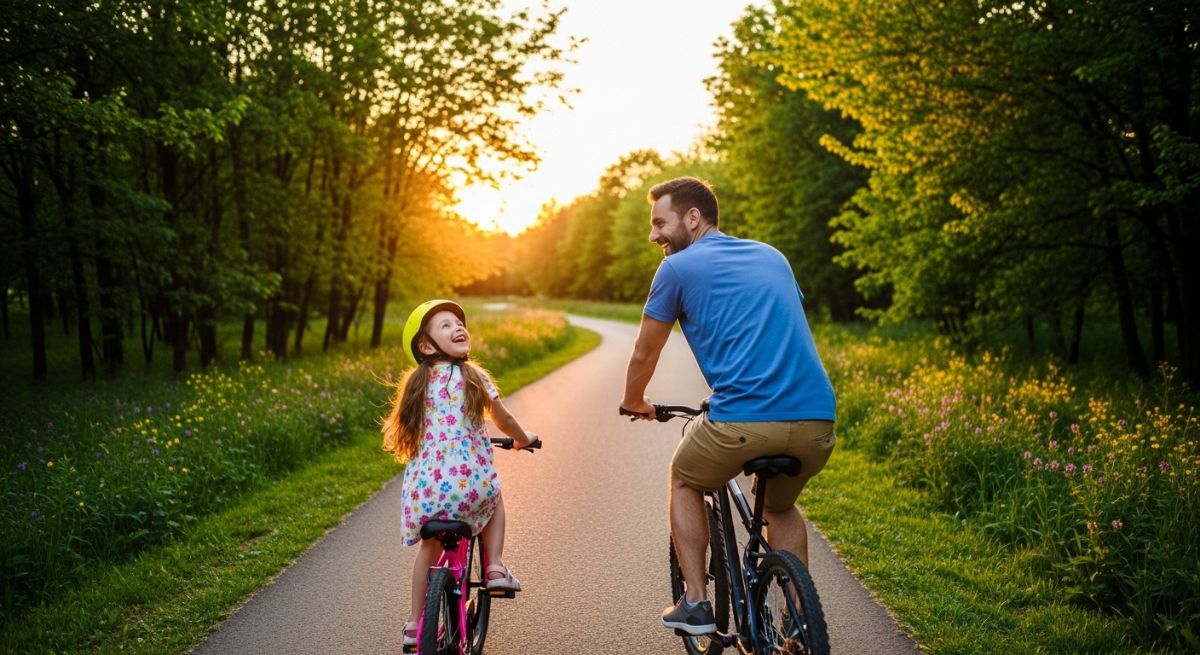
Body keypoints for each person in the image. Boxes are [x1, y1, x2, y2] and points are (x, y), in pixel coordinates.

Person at [620, 177, 836, 636]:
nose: (654, 235)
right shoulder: (772, 256)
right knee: (778, 509)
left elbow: (645, 352)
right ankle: (797, 625)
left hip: (742, 420)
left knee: (684, 478)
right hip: (818, 422)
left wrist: (634, 400)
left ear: (693, 218)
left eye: (660, 222)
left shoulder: (676, 270)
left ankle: (696, 603)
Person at [382, 299, 537, 647]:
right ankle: (495, 567)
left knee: (428, 549)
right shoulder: (472, 376)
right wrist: (522, 438)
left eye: (458, 322)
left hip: (425, 494)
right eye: (446, 325)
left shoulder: (415, 384)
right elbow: (503, 419)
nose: (458, 327)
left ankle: (412, 623)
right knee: (494, 497)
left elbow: (406, 428)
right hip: (470, 488)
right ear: (426, 345)